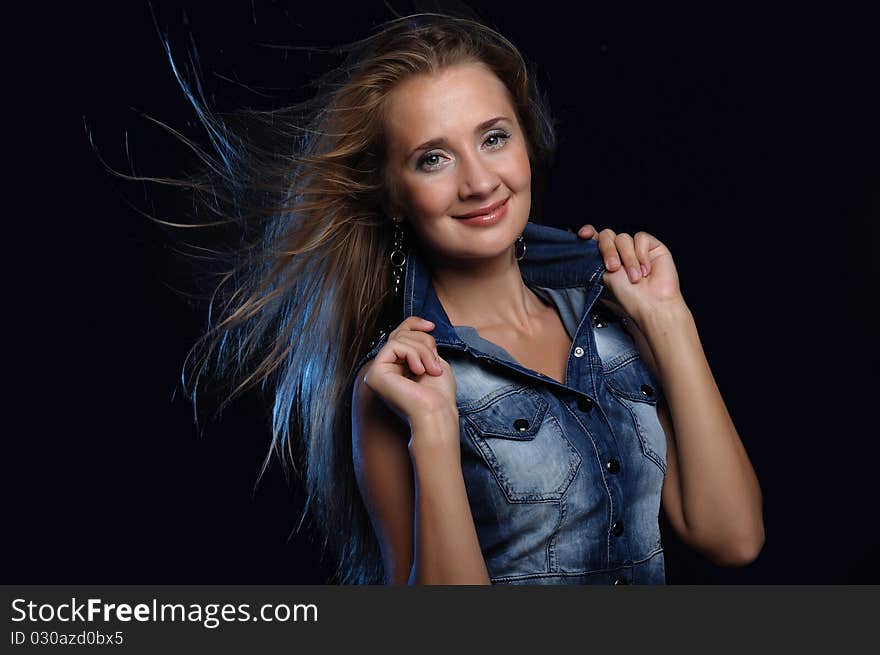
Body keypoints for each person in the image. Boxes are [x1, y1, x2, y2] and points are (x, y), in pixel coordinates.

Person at [148, 12, 763, 585]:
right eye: (433, 158)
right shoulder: (400, 384)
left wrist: (668, 318)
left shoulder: (616, 323)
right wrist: (436, 430)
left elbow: (732, 538)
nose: (478, 181)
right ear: (393, 196)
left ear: (526, 141)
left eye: (494, 138)